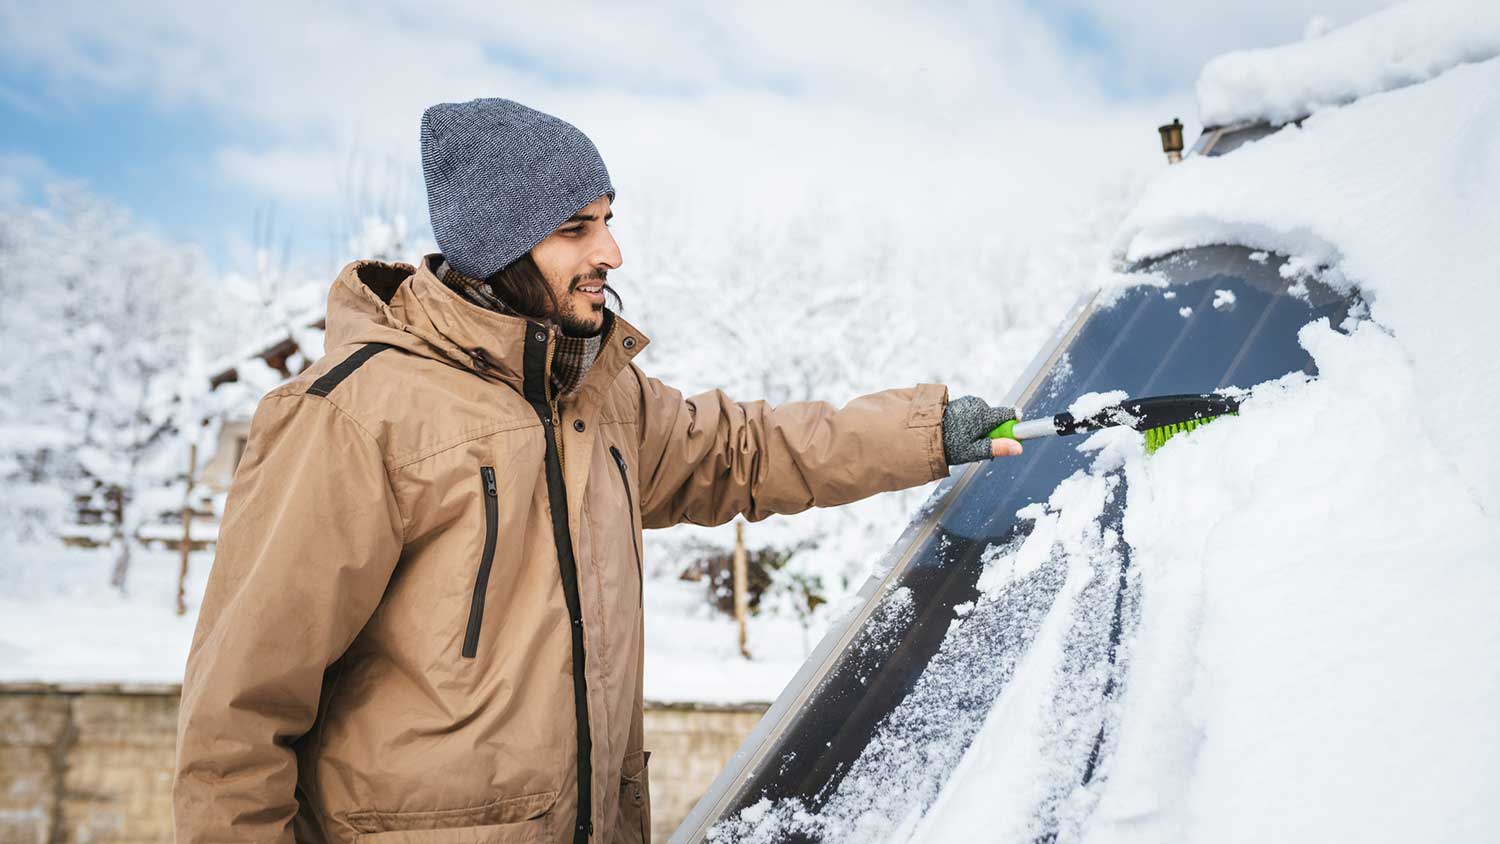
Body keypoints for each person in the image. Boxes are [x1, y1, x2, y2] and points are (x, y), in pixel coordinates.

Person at [172, 97, 1022, 844]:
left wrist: (925, 430)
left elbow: (749, 450)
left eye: (608, 219)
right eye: (576, 228)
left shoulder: (599, 399)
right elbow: (237, 717)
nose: (611, 251)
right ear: (497, 247)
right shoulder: (351, 416)